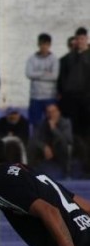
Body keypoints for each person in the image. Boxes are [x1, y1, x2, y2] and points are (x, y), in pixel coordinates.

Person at [57, 28, 90, 168]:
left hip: (88, 100)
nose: (80, 41)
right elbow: (62, 79)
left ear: (87, 39)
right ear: (75, 40)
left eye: (83, 39)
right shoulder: (68, 58)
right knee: (75, 132)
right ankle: (79, 160)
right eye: (78, 39)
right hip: (72, 101)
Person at [28, 103, 73, 179]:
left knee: (64, 144)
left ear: (58, 112)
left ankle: (66, 173)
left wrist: (54, 129)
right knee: (31, 145)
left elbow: (67, 139)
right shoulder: (42, 123)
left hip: (59, 149)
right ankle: (31, 172)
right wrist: (44, 147)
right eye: (49, 112)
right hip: (46, 149)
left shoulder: (65, 123)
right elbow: (35, 138)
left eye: (53, 111)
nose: (51, 114)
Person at [25, 33, 59, 127]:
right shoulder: (32, 59)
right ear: (38, 44)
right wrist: (44, 73)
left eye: (46, 44)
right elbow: (28, 74)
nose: (44, 47)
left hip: (50, 96)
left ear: (49, 45)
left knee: (51, 122)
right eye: (42, 44)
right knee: (36, 123)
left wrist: (37, 75)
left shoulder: (54, 59)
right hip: (35, 96)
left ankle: (51, 141)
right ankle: (37, 141)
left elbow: (55, 76)